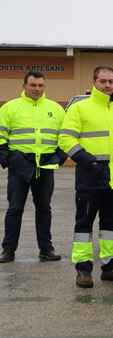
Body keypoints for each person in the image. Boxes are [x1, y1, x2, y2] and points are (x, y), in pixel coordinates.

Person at [58, 65, 113, 287]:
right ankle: (83, 269)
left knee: (110, 225)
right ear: (94, 82)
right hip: (90, 177)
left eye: (110, 81)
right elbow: (66, 139)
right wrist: (88, 161)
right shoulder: (79, 109)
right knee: (84, 225)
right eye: (103, 81)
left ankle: (110, 266)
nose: (107, 85)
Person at [0, 71, 66, 263]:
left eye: (40, 85)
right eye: (33, 85)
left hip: (45, 166)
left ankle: (46, 248)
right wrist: (8, 160)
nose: (37, 89)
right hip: (19, 166)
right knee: (14, 209)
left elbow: (64, 136)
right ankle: (8, 249)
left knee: (44, 209)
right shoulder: (10, 108)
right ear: (24, 86)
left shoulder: (56, 109)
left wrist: (59, 158)